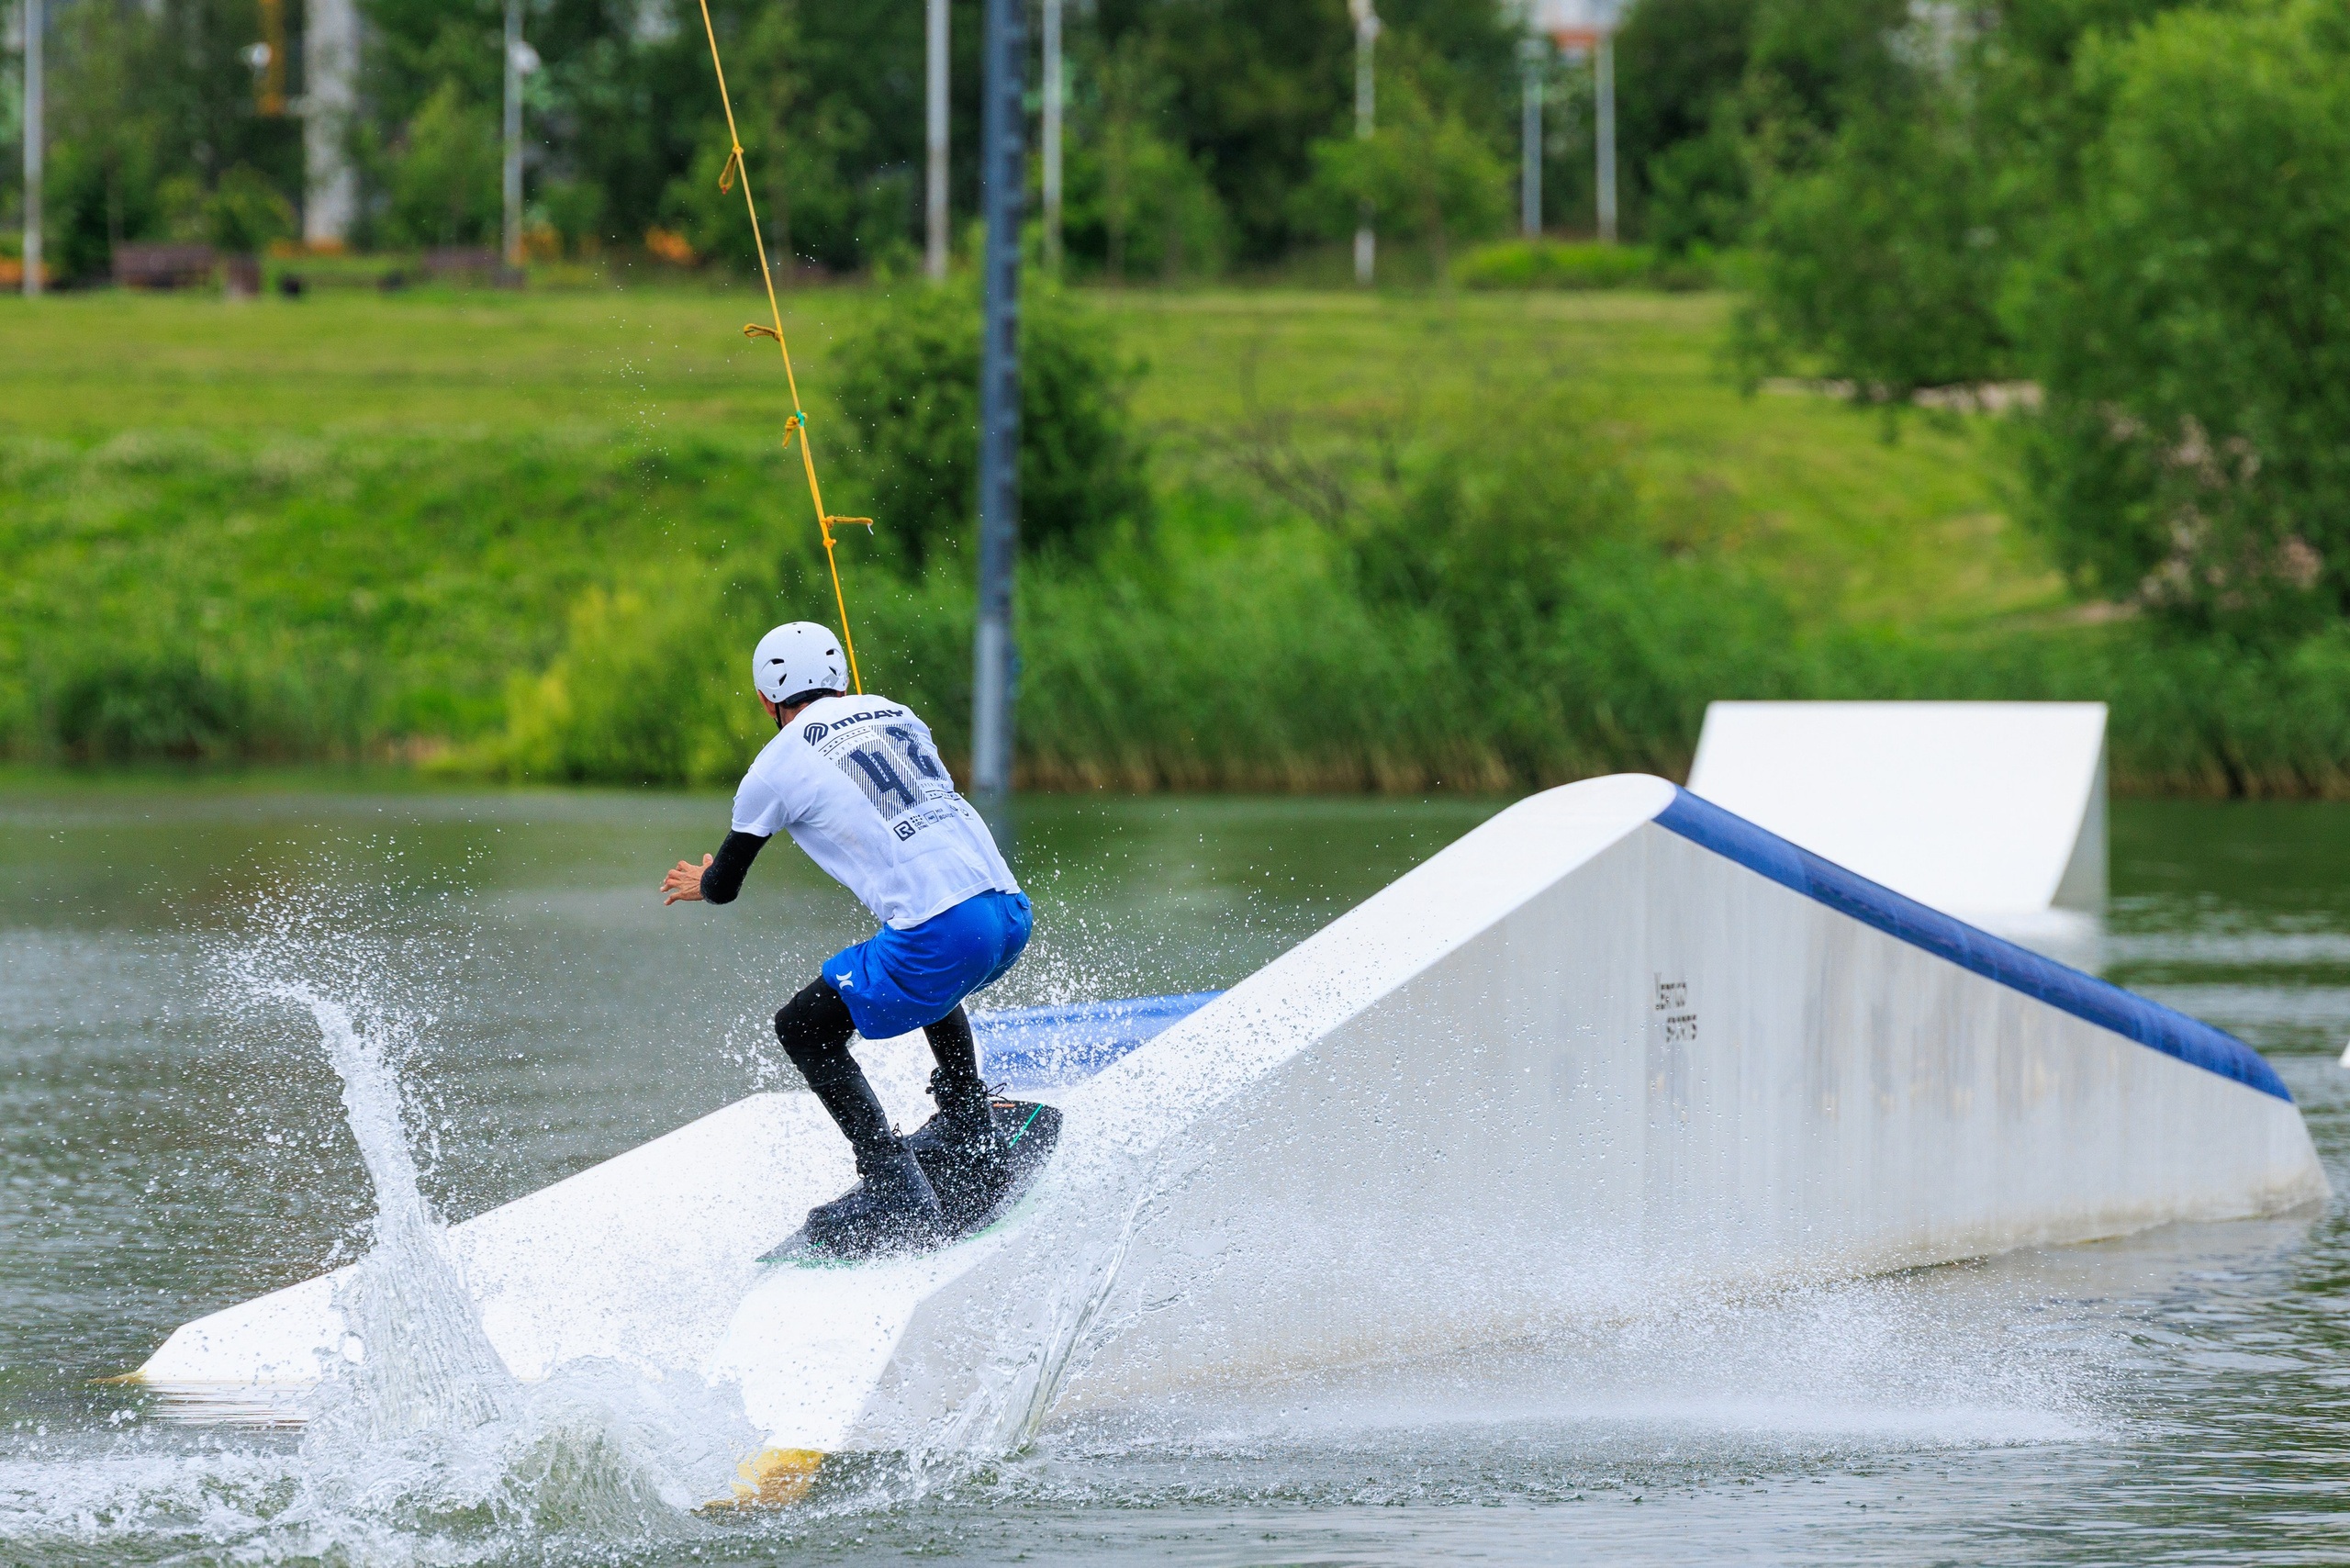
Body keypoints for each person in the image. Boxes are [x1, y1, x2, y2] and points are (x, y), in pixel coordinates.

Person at [659, 621, 1032, 1257]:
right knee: (920, 965)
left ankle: (891, 1181)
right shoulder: (897, 712)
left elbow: (724, 884)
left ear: (765, 699)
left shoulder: (772, 768)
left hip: (945, 934)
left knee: (801, 1027)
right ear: (841, 680)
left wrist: (702, 881)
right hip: (1008, 914)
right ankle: (970, 1117)